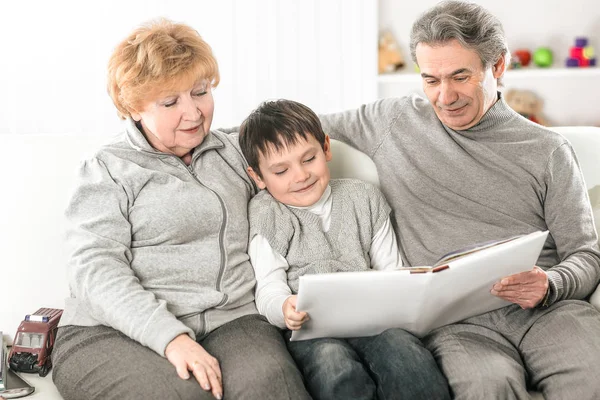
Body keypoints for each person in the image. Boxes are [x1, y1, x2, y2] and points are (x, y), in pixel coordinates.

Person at [319, 1, 600, 399]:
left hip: (547, 311)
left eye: (460, 76)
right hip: (457, 323)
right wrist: (201, 140)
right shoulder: (394, 120)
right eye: (430, 79)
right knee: (486, 386)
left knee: (594, 377)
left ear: (497, 67)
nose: (444, 96)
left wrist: (551, 284)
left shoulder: (548, 150)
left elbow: (586, 255)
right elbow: (287, 126)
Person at [51, 19, 311, 400]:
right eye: (170, 102)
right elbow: (95, 270)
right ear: (133, 107)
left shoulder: (236, 151)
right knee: (182, 396)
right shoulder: (106, 169)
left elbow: (306, 133)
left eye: (200, 92)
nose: (193, 113)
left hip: (232, 320)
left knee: (275, 387)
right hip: (112, 332)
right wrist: (171, 338)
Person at [238, 99, 451, 400]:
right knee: (333, 366)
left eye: (308, 159)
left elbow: (392, 269)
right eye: (281, 171)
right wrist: (284, 308)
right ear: (258, 177)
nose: (300, 176)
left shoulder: (363, 198)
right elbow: (269, 287)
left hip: (374, 321)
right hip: (312, 333)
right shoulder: (266, 214)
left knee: (407, 356)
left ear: (326, 149)